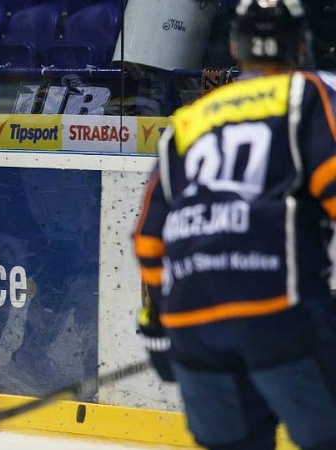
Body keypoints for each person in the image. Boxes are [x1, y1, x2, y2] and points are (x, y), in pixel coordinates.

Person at [132, 1, 336, 449]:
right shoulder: (306, 94)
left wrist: (158, 325)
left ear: (234, 47)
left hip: (192, 319)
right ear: (302, 43)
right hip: (280, 309)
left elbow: (149, 239)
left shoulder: (188, 120)